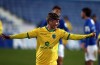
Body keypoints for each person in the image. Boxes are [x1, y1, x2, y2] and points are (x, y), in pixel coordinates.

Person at [0, 13, 96, 65]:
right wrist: (10, 37)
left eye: (58, 21)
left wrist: (87, 36)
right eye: (56, 21)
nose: (58, 23)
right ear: (49, 21)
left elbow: (73, 36)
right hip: (40, 63)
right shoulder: (39, 31)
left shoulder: (59, 32)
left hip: (53, 63)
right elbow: (24, 35)